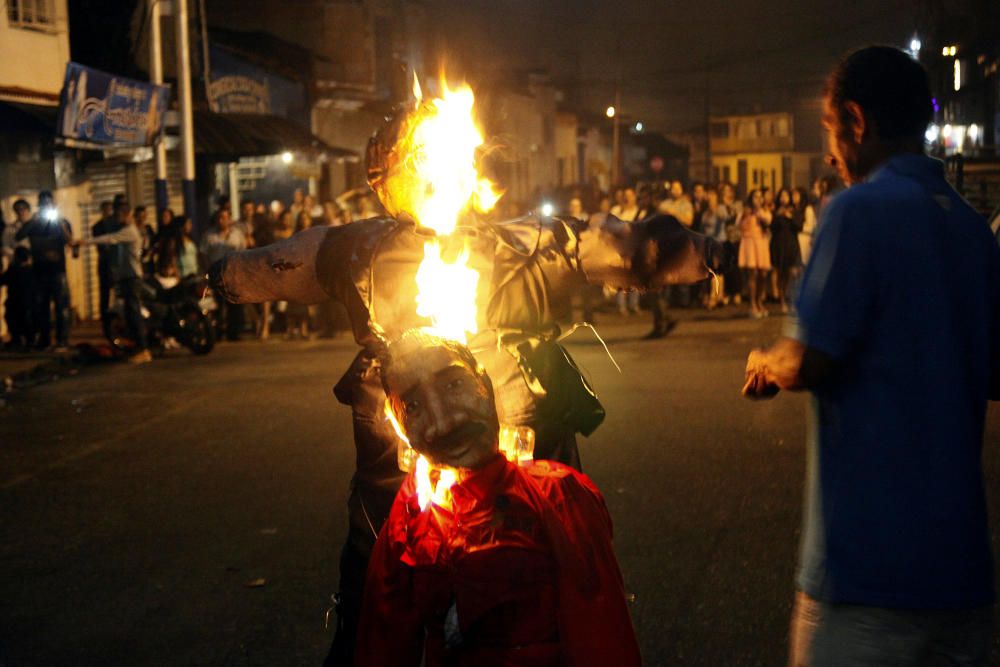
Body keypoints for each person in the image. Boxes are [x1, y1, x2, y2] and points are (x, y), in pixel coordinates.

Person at [210, 97, 718, 664]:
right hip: (404, 485)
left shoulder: (521, 242)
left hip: (517, 480)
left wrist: (688, 250)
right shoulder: (360, 250)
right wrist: (224, 279)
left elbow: (629, 249)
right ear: (391, 179)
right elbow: (268, 268)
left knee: (531, 617)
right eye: (417, 156)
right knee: (379, 617)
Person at [742, 45, 1000, 667]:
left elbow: (809, 359)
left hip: (865, 576)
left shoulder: (856, 211)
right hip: (962, 578)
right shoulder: (971, 228)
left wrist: (765, 361)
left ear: (857, 121)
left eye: (831, 132)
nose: (831, 155)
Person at [356, 331, 641, 666]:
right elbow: (381, 648)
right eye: (413, 405)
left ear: (485, 385)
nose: (446, 421)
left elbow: (603, 640)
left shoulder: (558, 496)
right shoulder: (410, 517)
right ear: (400, 426)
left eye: (454, 385)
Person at [75, 202, 151, 364]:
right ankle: (137, 347)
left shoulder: (129, 231)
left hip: (132, 278)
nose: (116, 220)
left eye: (117, 216)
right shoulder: (126, 231)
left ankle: (143, 349)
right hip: (127, 278)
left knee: (133, 313)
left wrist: (85, 242)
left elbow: (110, 239)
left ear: (125, 215)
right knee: (130, 314)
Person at [15, 191, 76, 350]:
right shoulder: (34, 223)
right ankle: (44, 339)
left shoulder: (62, 222)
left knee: (61, 307)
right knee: (41, 307)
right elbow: (19, 236)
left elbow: (71, 243)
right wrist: (32, 220)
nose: (46, 207)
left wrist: (60, 222)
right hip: (39, 271)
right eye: (43, 204)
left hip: (57, 271)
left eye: (49, 203)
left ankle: (62, 340)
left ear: (53, 204)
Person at [201, 209, 247, 341]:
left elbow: (243, 252)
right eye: (220, 217)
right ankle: (218, 332)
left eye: (225, 217)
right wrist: (207, 270)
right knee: (217, 303)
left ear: (229, 219)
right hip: (216, 272)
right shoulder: (209, 236)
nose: (223, 220)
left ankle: (234, 332)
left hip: (233, 272)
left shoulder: (237, 235)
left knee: (234, 303)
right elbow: (203, 254)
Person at [737, 189, 771, 319]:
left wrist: (759, 212)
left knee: (762, 274)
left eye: (760, 197)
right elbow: (738, 225)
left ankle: (759, 301)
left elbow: (768, 220)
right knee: (753, 274)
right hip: (750, 242)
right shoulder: (746, 212)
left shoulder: (763, 211)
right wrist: (745, 216)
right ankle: (752, 305)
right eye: (756, 197)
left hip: (761, 243)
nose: (758, 199)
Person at [768, 188, 801, 313]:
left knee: (792, 273)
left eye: (786, 195)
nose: (784, 198)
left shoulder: (795, 211)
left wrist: (790, 217)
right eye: (782, 195)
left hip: (791, 244)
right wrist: (778, 216)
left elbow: (799, 226)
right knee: (781, 274)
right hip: (779, 244)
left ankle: (792, 300)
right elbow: (772, 228)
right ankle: (782, 301)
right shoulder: (776, 212)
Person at [1, 246, 36, 350]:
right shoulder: (31, 270)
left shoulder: (14, 270)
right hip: (26, 301)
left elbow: (3, 279)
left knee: (14, 320)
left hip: (15, 301)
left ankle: (18, 340)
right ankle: (28, 340)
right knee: (25, 321)